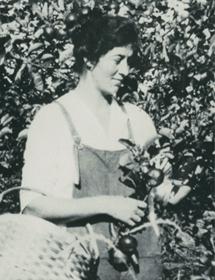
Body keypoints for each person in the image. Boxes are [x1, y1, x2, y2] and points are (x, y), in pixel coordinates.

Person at [20, 13, 189, 280]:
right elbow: (33, 207)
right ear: (88, 59)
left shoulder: (137, 120)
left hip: (141, 266)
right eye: (117, 60)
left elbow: (152, 196)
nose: (126, 70)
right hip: (82, 265)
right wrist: (106, 205)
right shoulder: (53, 119)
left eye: (129, 61)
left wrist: (168, 190)